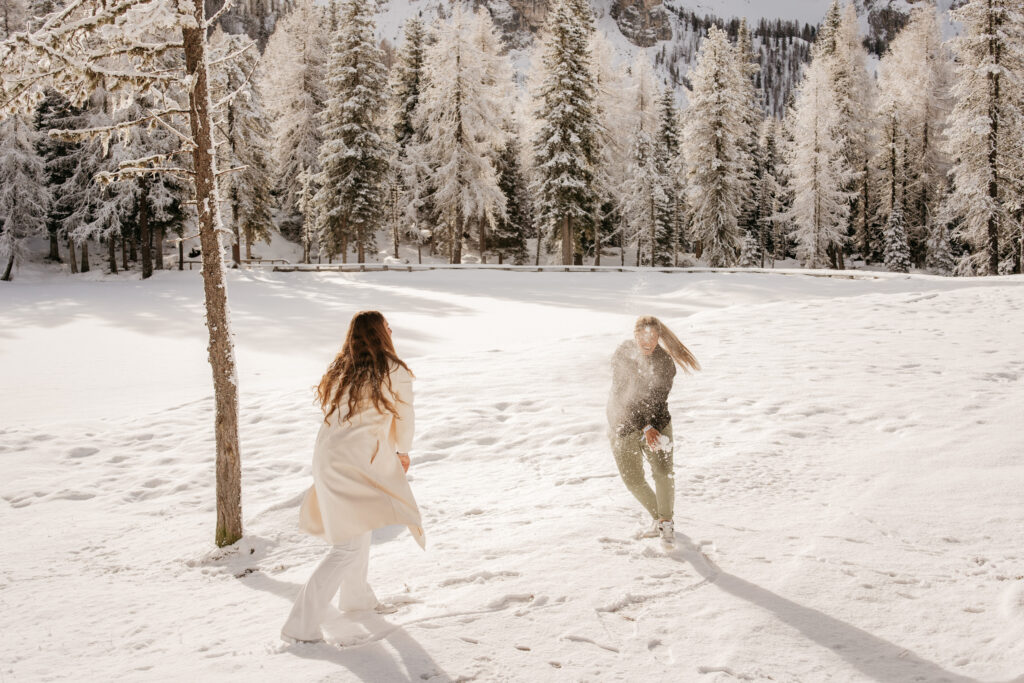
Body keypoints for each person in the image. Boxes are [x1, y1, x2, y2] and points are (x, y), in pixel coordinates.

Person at [282, 311, 425, 644]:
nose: (392, 329)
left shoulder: (342, 368)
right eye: (387, 325)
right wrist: (403, 451)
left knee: (358, 526)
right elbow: (405, 416)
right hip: (354, 461)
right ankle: (299, 627)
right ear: (379, 333)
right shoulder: (393, 369)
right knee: (347, 546)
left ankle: (357, 600)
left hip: (329, 456)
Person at [607, 315, 700, 545]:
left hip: (656, 422)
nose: (647, 342)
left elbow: (656, 401)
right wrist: (644, 427)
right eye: (642, 336)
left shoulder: (664, 362)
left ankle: (666, 524)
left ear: (658, 337)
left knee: (662, 472)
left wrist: (651, 428)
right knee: (633, 480)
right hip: (622, 424)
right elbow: (622, 396)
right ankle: (658, 517)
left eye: (652, 337)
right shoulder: (624, 353)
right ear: (635, 335)